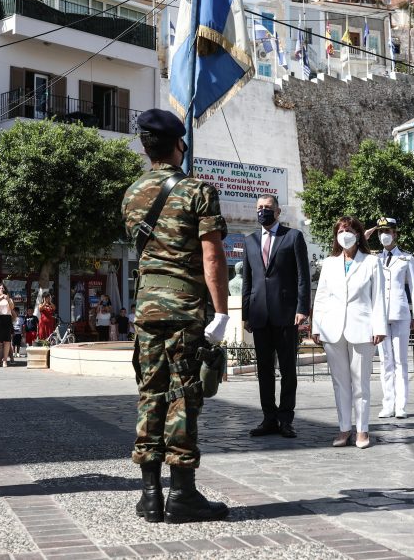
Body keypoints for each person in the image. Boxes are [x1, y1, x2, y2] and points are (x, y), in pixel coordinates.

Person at [122, 109, 230, 524]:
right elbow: (212, 256)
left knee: (150, 393)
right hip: (185, 309)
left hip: (146, 308)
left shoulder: (132, 193)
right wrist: (222, 312)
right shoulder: (197, 191)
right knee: (183, 395)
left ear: (146, 148)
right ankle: (182, 495)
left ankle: (150, 495)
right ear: (179, 145)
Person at [312, 216, 388, 449]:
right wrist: (316, 326)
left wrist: (379, 327)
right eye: (340, 231)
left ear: (358, 234)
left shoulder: (371, 262)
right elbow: (321, 297)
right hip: (332, 329)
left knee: (361, 383)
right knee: (340, 383)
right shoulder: (329, 263)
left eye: (349, 230)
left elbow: (378, 297)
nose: (344, 234)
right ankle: (344, 428)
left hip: (362, 328)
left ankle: (362, 430)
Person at [242, 193, 311, 439]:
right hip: (259, 315)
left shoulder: (293, 237)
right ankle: (268, 418)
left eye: (268, 207)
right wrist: (246, 314)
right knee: (264, 370)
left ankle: (286, 420)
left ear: (278, 211)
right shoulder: (250, 241)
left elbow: (303, 276)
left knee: (288, 370)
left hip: (286, 314)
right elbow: (247, 281)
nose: (263, 211)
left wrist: (302, 308)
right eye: (260, 207)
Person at [366, 217, 414, 420]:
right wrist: (366, 233)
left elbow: (413, 287)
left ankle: (401, 406)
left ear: (395, 234)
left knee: (400, 361)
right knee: (385, 361)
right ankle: (387, 404)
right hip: (380, 315)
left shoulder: (406, 258)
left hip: (400, 314)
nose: (384, 235)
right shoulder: (374, 258)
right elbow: (358, 249)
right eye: (381, 232)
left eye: (387, 231)